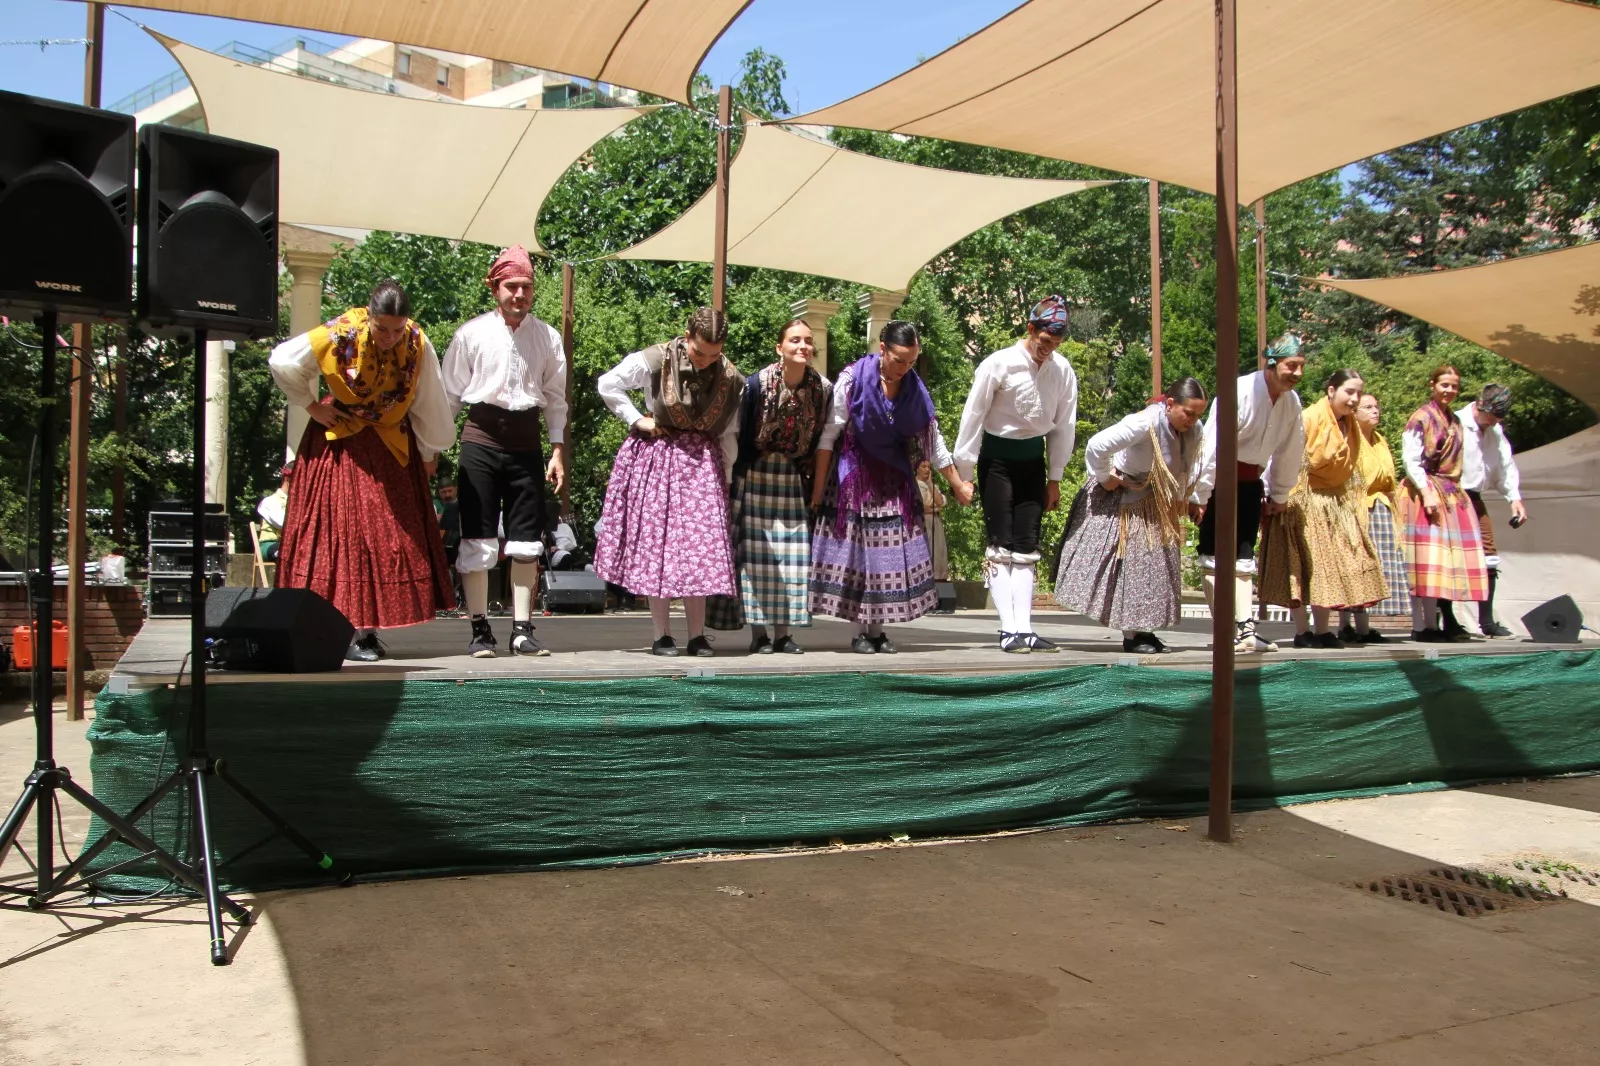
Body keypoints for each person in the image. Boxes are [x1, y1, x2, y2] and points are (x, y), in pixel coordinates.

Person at [269, 279, 456, 661]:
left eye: (396, 329)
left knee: (385, 537)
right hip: (338, 444)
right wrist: (310, 405)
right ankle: (338, 629)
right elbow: (282, 361)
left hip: (389, 444)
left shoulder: (417, 342)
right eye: (381, 328)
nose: (389, 337)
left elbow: (428, 398)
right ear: (369, 317)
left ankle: (366, 630)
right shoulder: (339, 334)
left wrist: (429, 449)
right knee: (341, 537)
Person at [810, 321, 973, 653]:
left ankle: (878, 632)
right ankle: (859, 632)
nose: (905, 368)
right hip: (855, 477)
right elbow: (829, 434)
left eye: (912, 361)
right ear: (882, 348)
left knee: (885, 559)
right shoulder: (852, 380)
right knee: (858, 557)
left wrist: (956, 484)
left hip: (892, 480)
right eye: (900, 360)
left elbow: (933, 441)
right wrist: (816, 491)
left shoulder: (913, 388)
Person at [594, 307, 743, 657]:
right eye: (699, 352)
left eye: (714, 354)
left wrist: (726, 477)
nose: (706, 361)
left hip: (702, 463)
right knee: (657, 545)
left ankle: (696, 635)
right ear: (687, 336)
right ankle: (661, 634)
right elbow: (607, 383)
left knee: (700, 549)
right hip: (659, 454)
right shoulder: (656, 358)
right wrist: (635, 418)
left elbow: (729, 434)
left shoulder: (731, 378)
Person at [442, 245, 567, 658]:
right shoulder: (471, 334)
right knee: (477, 535)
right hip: (479, 441)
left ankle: (520, 630)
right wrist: (434, 451)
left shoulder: (547, 337)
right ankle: (480, 630)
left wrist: (557, 449)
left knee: (526, 540)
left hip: (526, 445)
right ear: (495, 288)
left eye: (526, 287)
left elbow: (554, 398)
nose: (519, 294)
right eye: (511, 286)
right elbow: (450, 398)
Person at [953, 294, 1079, 653]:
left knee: (1026, 546)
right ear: (1030, 329)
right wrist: (965, 472)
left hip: (1032, 464)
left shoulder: (1062, 370)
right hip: (996, 460)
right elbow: (973, 417)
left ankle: (1025, 628)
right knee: (1000, 545)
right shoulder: (999, 364)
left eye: (1055, 344)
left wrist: (1055, 476)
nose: (1048, 350)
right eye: (1044, 342)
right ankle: (1008, 629)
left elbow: (1064, 425)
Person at [1054, 378, 1207, 652]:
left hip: (1156, 503)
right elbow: (1097, 445)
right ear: (1170, 404)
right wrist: (1105, 477)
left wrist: (1191, 500)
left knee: (1154, 571)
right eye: (1189, 413)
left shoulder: (1193, 431)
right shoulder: (1143, 423)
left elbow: (1188, 469)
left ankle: (1145, 632)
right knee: (1133, 568)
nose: (1193, 420)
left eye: (1199, 415)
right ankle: (1132, 635)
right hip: (1125, 500)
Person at [707, 319, 831, 654]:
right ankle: (759, 634)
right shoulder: (756, 385)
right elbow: (735, 433)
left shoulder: (822, 389)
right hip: (755, 474)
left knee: (792, 558)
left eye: (807, 341)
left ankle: (783, 634)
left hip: (791, 479)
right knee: (756, 558)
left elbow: (823, 438)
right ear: (780, 347)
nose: (802, 346)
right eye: (794, 340)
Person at [1191, 333, 1308, 653]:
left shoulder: (1292, 403)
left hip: (1250, 484)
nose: (1297, 373)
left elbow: (1289, 450)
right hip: (1220, 481)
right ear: (1271, 363)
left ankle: (1245, 630)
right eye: (1290, 365)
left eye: (1300, 366)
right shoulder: (1240, 391)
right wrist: (1202, 493)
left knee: (1243, 557)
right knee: (1213, 557)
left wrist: (1279, 493)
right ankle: (1226, 630)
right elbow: (1211, 446)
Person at [1259, 369, 1389, 648]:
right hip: (1301, 498)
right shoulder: (1308, 418)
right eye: (1349, 392)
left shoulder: (1350, 425)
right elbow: (1281, 455)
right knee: (1300, 565)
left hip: (1334, 502)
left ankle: (1322, 629)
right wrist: (1274, 495)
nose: (1354, 399)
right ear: (1331, 391)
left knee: (1330, 567)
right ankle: (1302, 630)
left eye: (1358, 393)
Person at [1397, 366, 1489, 641]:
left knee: (1444, 562)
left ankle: (1435, 624)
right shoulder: (1421, 418)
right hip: (1424, 489)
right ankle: (1420, 625)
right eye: (1444, 385)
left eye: (1454, 386)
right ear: (1432, 385)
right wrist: (1426, 492)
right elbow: (1411, 460)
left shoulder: (1454, 420)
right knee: (1424, 560)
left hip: (1449, 490)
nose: (1449, 391)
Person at [1439, 383, 1527, 638]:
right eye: (1492, 416)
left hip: (1475, 497)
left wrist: (1514, 497)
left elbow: (1504, 465)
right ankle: (1448, 620)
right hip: (1451, 495)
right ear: (1481, 406)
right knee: (1450, 558)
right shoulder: (1456, 423)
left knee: (1488, 554)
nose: (1493, 422)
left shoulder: (1495, 431)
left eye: (1498, 418)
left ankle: (1486, 622)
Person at [1338, 391, 1409, 641]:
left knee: (1376, 567)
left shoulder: (1380, 440)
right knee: (1357, 566)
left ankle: (1362, 627)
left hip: (1379, 506)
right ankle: (1347, 625)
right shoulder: (1347, 438)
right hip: (1355, 507)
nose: (1375, 411)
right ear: (1354, 414)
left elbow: (1388, 476)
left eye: (1376, 406)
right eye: (1368, 407)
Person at [916, 461, 951, 583]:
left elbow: (940, 503)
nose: (927, 470)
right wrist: (933, 508)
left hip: (936, 525)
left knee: (938, 554)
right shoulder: (914, 485)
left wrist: (930, 484)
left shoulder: (933, 487)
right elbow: (920, 506)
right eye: (923, 466)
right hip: (921, 524)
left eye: (929, 467)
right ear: (917, 469)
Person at [255, 466, 289, 563]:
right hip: (269, 544)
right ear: (287, 479)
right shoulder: (270, 501)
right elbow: (282, 523)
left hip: (291, 544)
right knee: (290, 550)